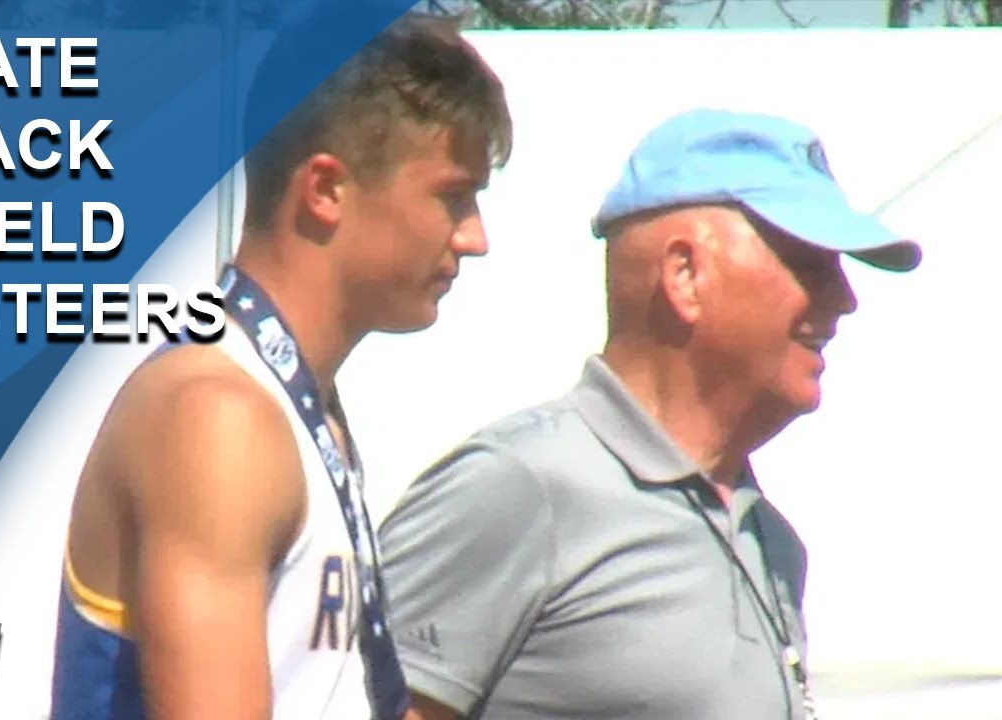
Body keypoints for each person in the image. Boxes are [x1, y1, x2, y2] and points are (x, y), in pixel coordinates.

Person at [378, 108, 921, 720]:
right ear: (684, 275)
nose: (845, 300)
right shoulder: (520, 487)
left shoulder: (769, 541)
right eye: (810, 263)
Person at [50, 8, 513, 720]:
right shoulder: (216, 415)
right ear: (324, 190)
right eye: (453, 196)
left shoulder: (290, 405)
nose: (476, 239)